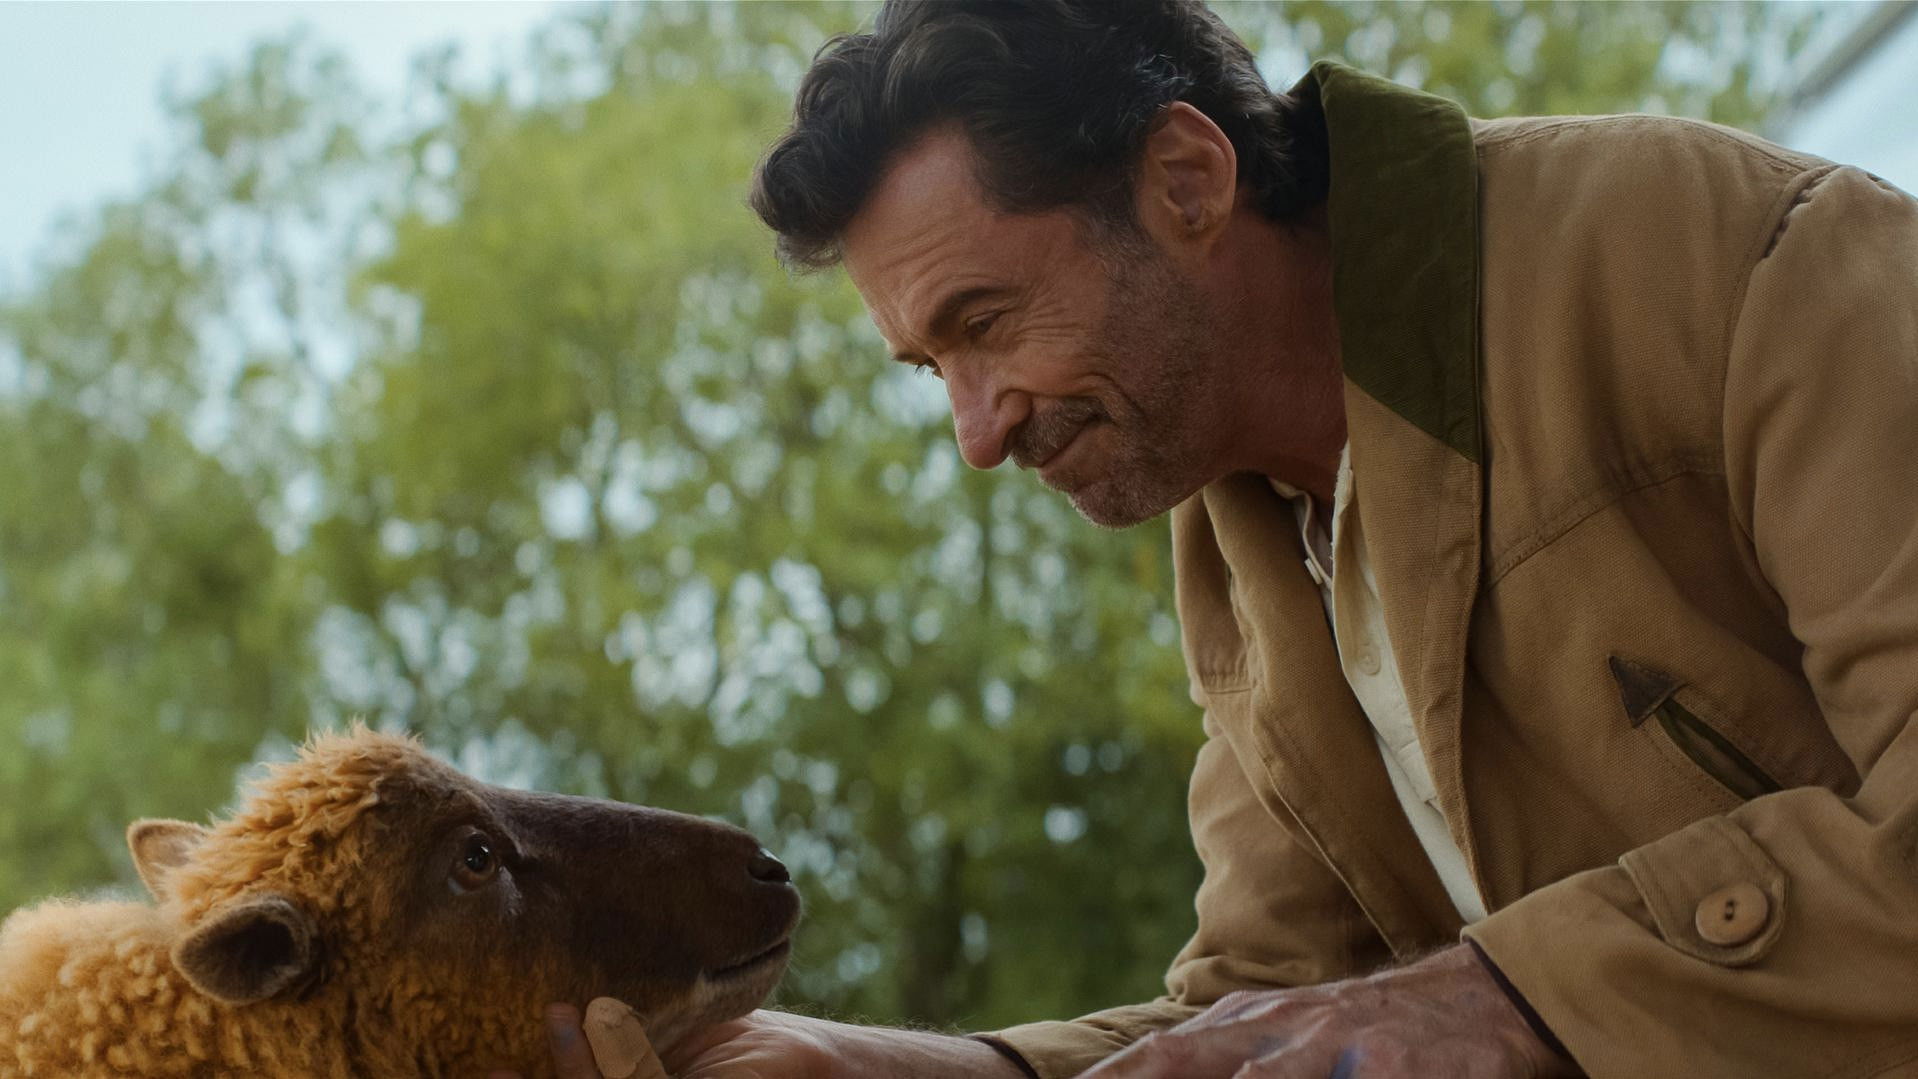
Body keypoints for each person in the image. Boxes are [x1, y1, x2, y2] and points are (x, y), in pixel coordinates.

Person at [535, 0, 1918, 1075]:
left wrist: (1512, 998)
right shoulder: (1230, 526)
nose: (976, 431)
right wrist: (876, 1069)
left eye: (985, 323)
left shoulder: (1743, 263)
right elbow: (1267, 1011)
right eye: (931, 367)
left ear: (1187, 179)